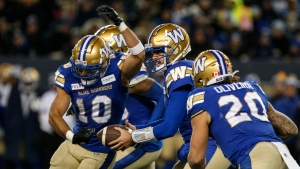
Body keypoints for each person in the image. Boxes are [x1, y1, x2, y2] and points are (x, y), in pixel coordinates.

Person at [110, 23, 231, 169]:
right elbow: (168, 119)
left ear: (177, 49)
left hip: (214, 141)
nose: (155, 57)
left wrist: (134, 136)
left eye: (160, 51)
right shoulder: (186, 68)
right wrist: (138, 129)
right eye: (153, 52)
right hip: (206, 141)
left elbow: (169, 127)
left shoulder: (178, 71)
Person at [48, 5, 145, 169]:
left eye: (89, 69)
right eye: (80, 68)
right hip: (74, 145)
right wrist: (72, 137)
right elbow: (54, 114)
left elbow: (139, 54)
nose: (83, 73)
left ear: (105, 62)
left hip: (99, 151)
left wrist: (119, 23)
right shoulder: (68, 73)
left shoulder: (118, 69)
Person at [187, 49, 299, 169]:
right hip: (283, 154)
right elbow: (291, 130)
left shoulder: (201, 97)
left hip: (255, 156)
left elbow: (196, 159)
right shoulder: (252, 87)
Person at [94, 24, 164, 169]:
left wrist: (146, 131)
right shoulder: (106, 76)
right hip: (126, 141)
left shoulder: (130, 76)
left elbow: (164, 96)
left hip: (139, 144)